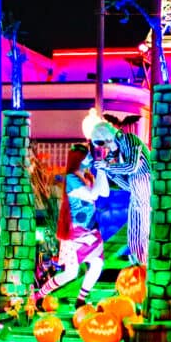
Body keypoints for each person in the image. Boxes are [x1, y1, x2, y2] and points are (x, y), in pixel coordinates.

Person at [35, 144, 110, 309]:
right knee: (70, 273)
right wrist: (102, 169)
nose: (90, 160)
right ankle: (39, 295)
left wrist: (102, 169)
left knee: (97, 263)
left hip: (91, 229)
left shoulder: (88, 177)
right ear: (78, 159)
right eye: (87, 157)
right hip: (75, 232)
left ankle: (81, 299)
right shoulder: (71, 179)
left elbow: (103, 192)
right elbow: (92, 194)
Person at [90, 121, 151, 265]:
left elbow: (131, 166)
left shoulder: (128, 139)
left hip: (145, 185)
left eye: (102, 143)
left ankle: (143, 261)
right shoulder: (116, 150)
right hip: (136, 189)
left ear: (107, 138)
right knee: (134, 229)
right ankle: (138, 261)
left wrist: (107, 167)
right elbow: (124, 181)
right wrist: (106, 169)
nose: (103, 148)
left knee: (143, 228)